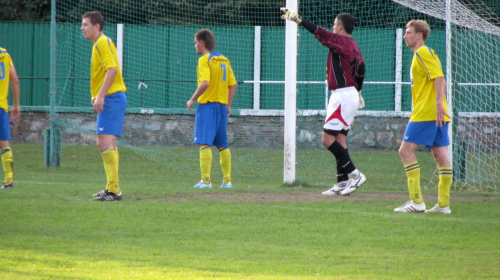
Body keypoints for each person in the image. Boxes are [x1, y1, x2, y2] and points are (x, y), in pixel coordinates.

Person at [281, 8, 366, 196]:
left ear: (340, 27)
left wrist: (299, 21)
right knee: (340, 140)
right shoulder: (352, 45)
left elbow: (322, 34)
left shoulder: (342, 41)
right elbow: (361, 69)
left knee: (327, 139)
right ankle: (342, 182)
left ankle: (355, 174)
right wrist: (358, 91)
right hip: (348, 95)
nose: (332, 27)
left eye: (335, 24)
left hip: (343, 96)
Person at [394, 20, 452, 214]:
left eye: (408, 32)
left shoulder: (422, 52)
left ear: (419, 35)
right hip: (436, 111)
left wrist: (437, 105)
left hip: (427, 112)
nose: (405, 36)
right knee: (440, 155)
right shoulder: (425, 53)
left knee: (405, 151)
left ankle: (416, 201)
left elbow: (439, 77)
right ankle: (443, 205)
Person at [81, 11, 128, 201]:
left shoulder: (102, 42)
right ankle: (111, 187)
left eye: (85, 24)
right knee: (109, 144)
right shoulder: (99, 44)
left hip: (112, 98)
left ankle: (115, 190)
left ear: (97, 26)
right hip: (111, 98)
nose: (82, 28)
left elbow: (112, 69)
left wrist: (101, 96)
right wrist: (96, 95)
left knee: (103, 143)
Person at [187, 29, 237, 189]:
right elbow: (233, 84)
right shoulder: (224, 59)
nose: (195, 46)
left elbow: (205, 83)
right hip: (222, 107)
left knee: (204, 143)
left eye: (195, 42)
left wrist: (192, 99)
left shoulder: (204, 60)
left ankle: (206, 181)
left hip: (207, 106)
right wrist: (228, 104)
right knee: (223, 144)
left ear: (202, 43)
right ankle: (227, 181)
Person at [0, 47, 20, 189]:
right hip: (1, 105)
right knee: (4, 142)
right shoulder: (4, 53)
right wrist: (16, 105)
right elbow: (15, 80)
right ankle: (9, 180)